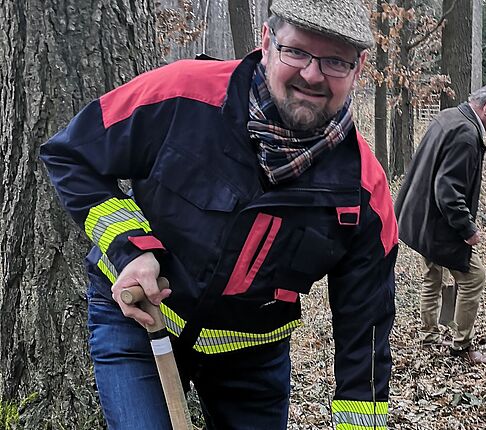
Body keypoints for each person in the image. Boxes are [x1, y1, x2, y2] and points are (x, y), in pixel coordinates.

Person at [39, 0, 397, 428]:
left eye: (335, 62)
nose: (312, 74)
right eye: (296, 51)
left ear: (358, 69)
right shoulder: (181, 94)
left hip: (252, 360)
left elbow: (366, 329)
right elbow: (70, 155)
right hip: (140, 320)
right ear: (267, 43)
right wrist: (129, 249)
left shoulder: (363, 192)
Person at [395, 83, 486, 365]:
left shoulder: (448, 116)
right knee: (474, 277)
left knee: (432, 276)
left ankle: (428, 336)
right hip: (436, 222)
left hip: (418, 217)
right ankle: (462, 346)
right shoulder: (466, 134)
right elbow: (448, 189)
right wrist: (467, 228)